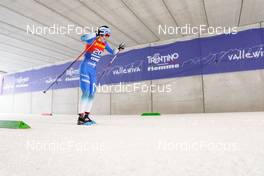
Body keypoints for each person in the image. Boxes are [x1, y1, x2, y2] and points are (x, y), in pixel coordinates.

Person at [78, 26, 125, 125]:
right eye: (107, 34)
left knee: (92, 93)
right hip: (85, 67)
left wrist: (119, 49)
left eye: (108, 35)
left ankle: (86, 116)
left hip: (93, 70)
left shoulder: (104, 43)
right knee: (86, 92)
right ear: (102, 33)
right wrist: (96, 34)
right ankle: (80, 118)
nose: (107, 37)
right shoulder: (92, 39)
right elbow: (83, 38)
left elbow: (113, 52)